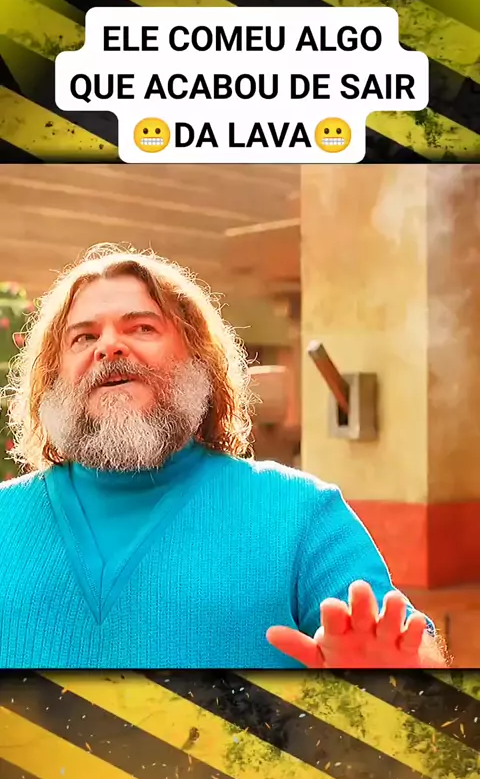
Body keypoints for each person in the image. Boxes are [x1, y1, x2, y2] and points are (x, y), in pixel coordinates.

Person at [0, 244, 447, 669]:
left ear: (198, 360)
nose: (109, 346)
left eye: (142, 328)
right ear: (53, 376)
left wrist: (395, 678)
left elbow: (410, 656)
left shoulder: (299, 512)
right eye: (84, 337)